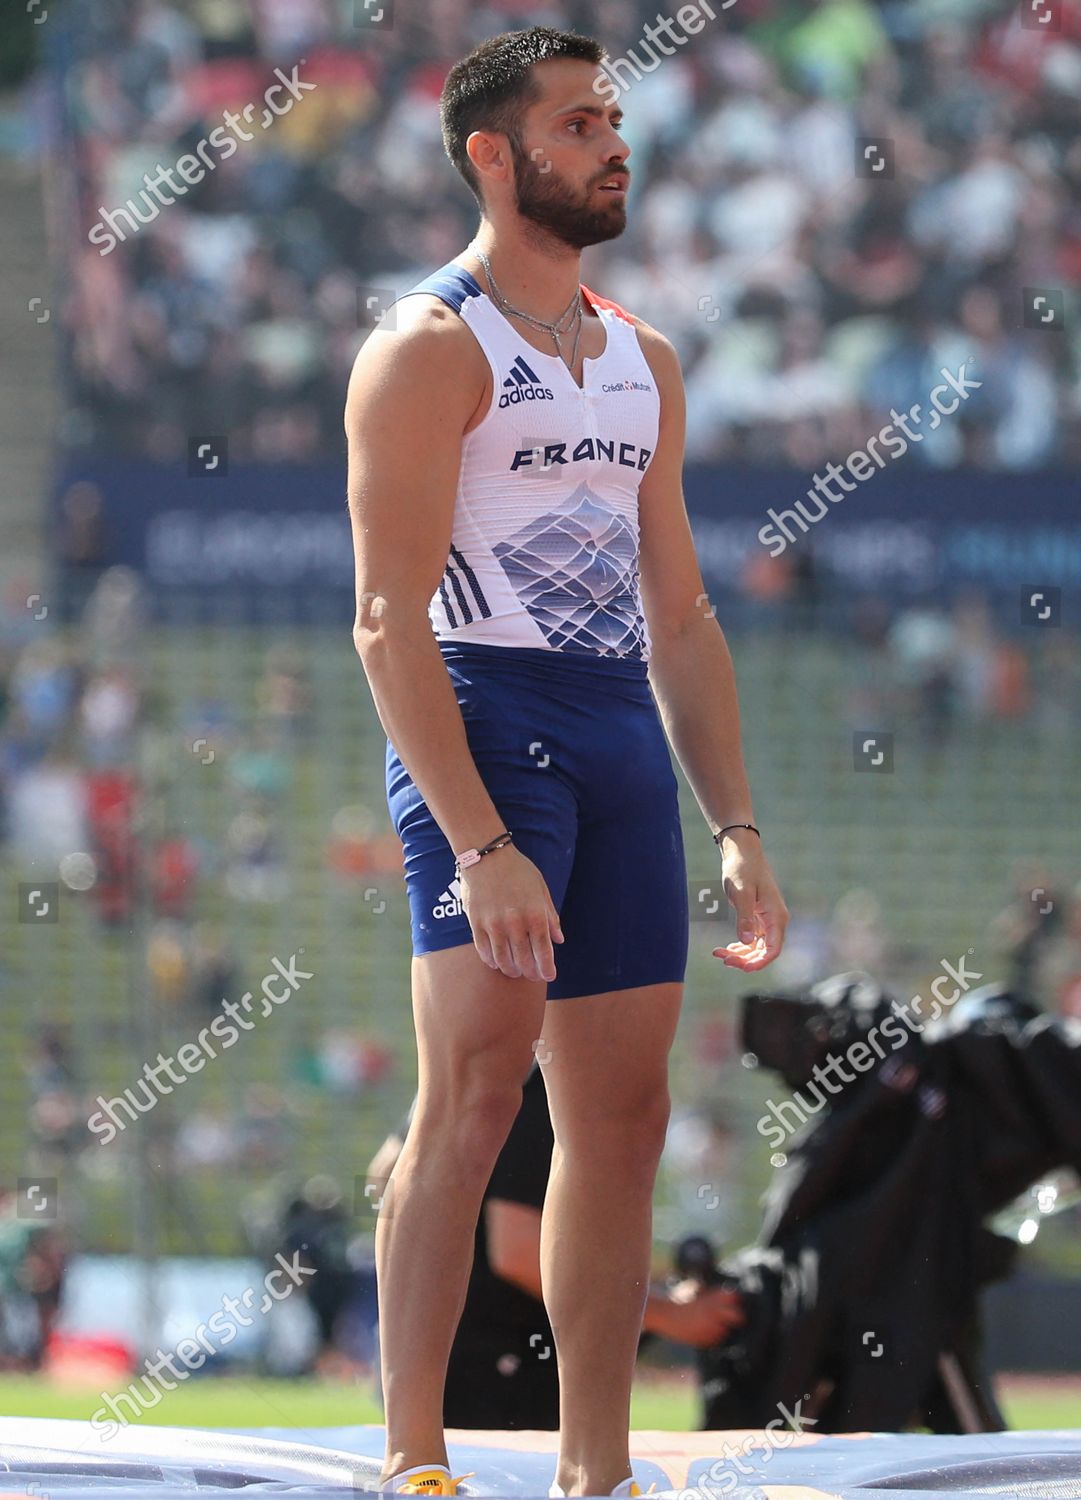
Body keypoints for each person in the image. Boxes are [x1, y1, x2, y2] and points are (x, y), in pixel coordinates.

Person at [344, 26, 788, 1498]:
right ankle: (413, 1453)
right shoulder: (426, 346)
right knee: (473, 1094)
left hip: (613, 735)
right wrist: (480, 840)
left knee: (624, 1114)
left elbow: (682, 612)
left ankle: (595, 1466)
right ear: (493, 153)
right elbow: (385, 621)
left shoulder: (641, 355)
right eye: (579, 120)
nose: (614, 140)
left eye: (616, 115)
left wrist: (736, 821)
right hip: (482, 726)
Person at [366, 1062, 746, 1433]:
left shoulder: (475, 1067)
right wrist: (668, 1314)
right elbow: (518, 1253)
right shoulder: (542, 1087)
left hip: (428, 1364)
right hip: (498, 1377)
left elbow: (382, 1174)